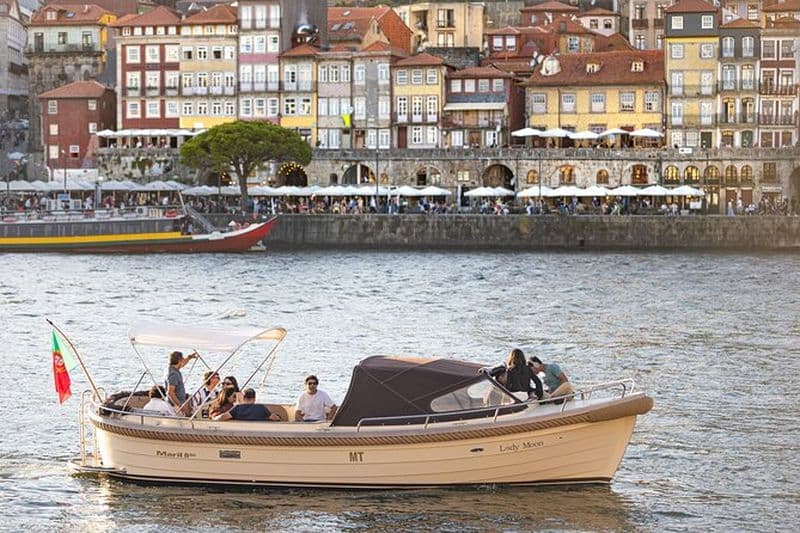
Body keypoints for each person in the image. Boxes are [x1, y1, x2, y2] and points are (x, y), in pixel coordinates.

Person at [213, 388, 280, 421]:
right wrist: (278, 417)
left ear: (244, 398)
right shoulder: (261, 408)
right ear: (254, 398)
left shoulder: (237, 408)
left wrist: (214, 418)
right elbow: (274, 418)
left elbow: (222, 417)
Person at [165, 350, 198, 416]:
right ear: (179, 360)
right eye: (182, 358)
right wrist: (180, 406)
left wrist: (189, 357)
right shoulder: (173, 374)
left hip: (178, 403)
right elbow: (170, 392)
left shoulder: (172, 368)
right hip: (176, 406)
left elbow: (182, 364)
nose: (183, 360)